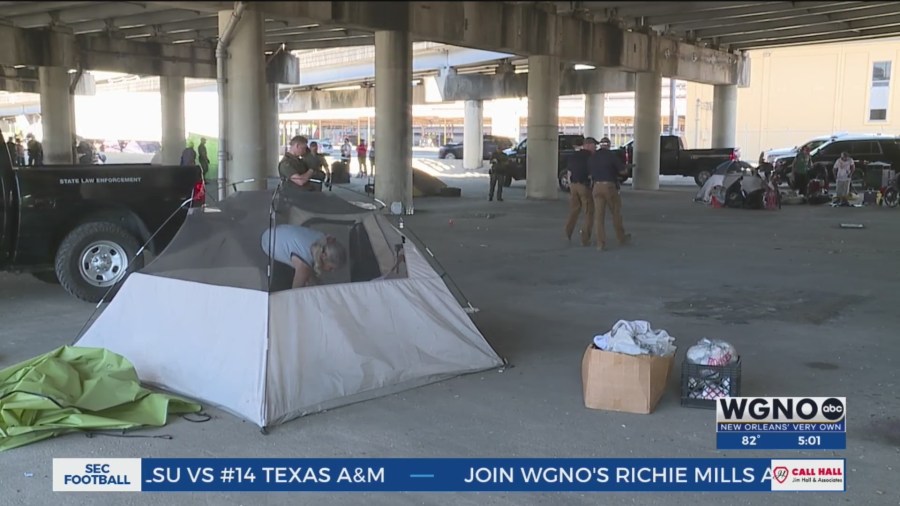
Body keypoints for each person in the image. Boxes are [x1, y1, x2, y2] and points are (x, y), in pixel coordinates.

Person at [260, 225, 347, 288]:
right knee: (305, 277)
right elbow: (295, 293)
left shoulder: (323, 239)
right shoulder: (304, 266)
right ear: (323, 256)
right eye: (331, 268)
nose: (332, 271)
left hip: (276, 229)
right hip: (267, 243)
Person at [588, 137, 631, 251]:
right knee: (616, 212)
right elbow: (622, 171)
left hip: (596, 187)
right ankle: (621, 237)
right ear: (609, 145)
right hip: (609, 187)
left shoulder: (593, 157)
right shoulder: (612, 156)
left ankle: (600, 244)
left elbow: (590, 172)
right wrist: (623, 170)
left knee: (599, 217)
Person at [564, 137, 595, 246]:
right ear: (588, 145)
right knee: (589, 212)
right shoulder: (591, 157)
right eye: (593, 145)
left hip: (573, 186)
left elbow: (569, 172)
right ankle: (585, 238)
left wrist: (570, 185)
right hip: (584, 186)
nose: (595, 147)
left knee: (574, 210)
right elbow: (592, 173)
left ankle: (568, 231)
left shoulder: (573, 156)